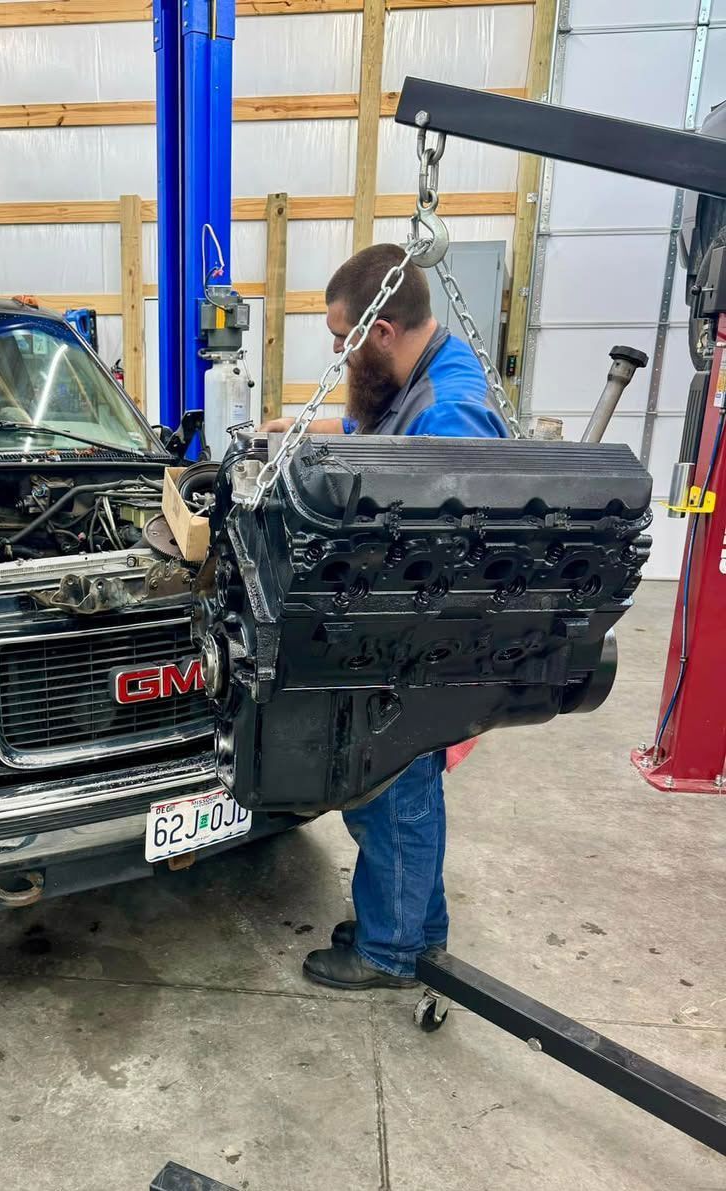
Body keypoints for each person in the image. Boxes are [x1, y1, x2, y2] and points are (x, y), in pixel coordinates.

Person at [259, 243, 508, 991]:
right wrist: (302, 431)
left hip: (420, 635)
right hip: (412, 625)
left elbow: (447, 515)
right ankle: (413, 927)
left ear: (383, 332)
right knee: (404, 785)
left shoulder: (453, 406)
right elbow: (377, 432)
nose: (338, 354)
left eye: (343, 340)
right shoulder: (422, 376)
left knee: (388, 787)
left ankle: (388, 953)